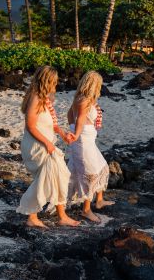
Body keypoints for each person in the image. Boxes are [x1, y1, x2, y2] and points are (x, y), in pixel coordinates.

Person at [17, 65, 79, 228]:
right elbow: (30, 126)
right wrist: (48, 144)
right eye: (54, 81)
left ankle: (62, 215)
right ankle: (32, 216)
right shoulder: (36, 98)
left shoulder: (45, 98)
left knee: (59, 176)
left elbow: (51, 124)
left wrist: (63, 134)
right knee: (45, 179)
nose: (56, 84)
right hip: (37, 146)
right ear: (47, 81)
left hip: (46, 144)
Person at [67, 71, 114, 223]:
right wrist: (76, 133)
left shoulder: (82, 99)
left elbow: (70, 115)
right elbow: (79, 119)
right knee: (90, 174)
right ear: (93, 85)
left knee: (102, 166)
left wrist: (74, 128)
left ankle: (99, 200)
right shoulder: (84, 100)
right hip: (83, 141)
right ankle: (86, 210)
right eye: (99, 84)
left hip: (88, 139)